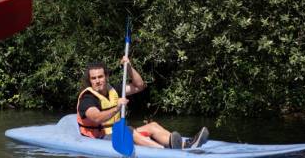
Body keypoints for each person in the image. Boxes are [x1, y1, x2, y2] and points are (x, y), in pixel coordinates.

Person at [77, 57, 209, 149]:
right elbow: (96, 117)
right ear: (90, 81)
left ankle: (185, 145)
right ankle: (163, 151)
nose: (97, 81)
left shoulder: (115, 89)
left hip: (118, 133)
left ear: (106, 76)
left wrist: (129, 67)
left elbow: (139, 86)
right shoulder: (87, 99)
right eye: (93, 78)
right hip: (100, 139)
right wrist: (116, 108)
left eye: (100, 76)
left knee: (152, 126)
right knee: (127, 130)